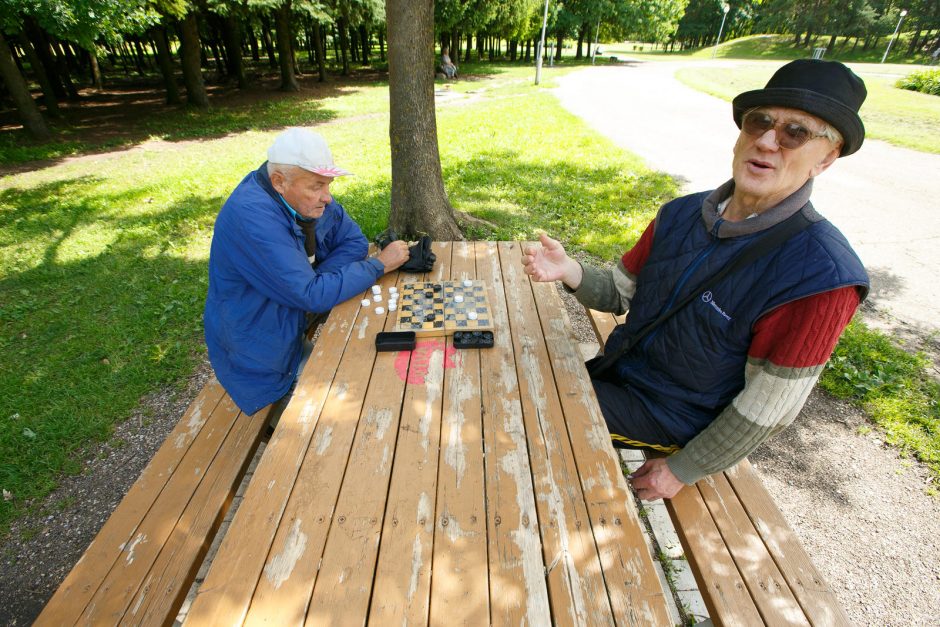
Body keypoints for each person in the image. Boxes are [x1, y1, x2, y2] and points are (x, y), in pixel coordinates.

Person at [522, 60, 870, 501]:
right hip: (620, 375)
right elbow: (619, 293)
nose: (766, 141)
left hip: (678, 420)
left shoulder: (823, 277)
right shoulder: (680, 214)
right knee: (511, 372)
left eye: (794, 132)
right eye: (758, 122)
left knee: (523, 408)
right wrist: (568, 270)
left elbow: (767, 409)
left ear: (827, 156)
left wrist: (683, 469)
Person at [204, 127, 409, 416]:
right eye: (316, 186)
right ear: (279, 181)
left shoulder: (300, 198)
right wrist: (379, 265)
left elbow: (353, 241)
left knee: (371, 350)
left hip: (291, 315)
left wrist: (319, 283)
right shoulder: (252, 218)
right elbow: (310, 295)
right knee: (349, 402)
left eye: (328, 185)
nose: (327, 197)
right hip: (261, 352)